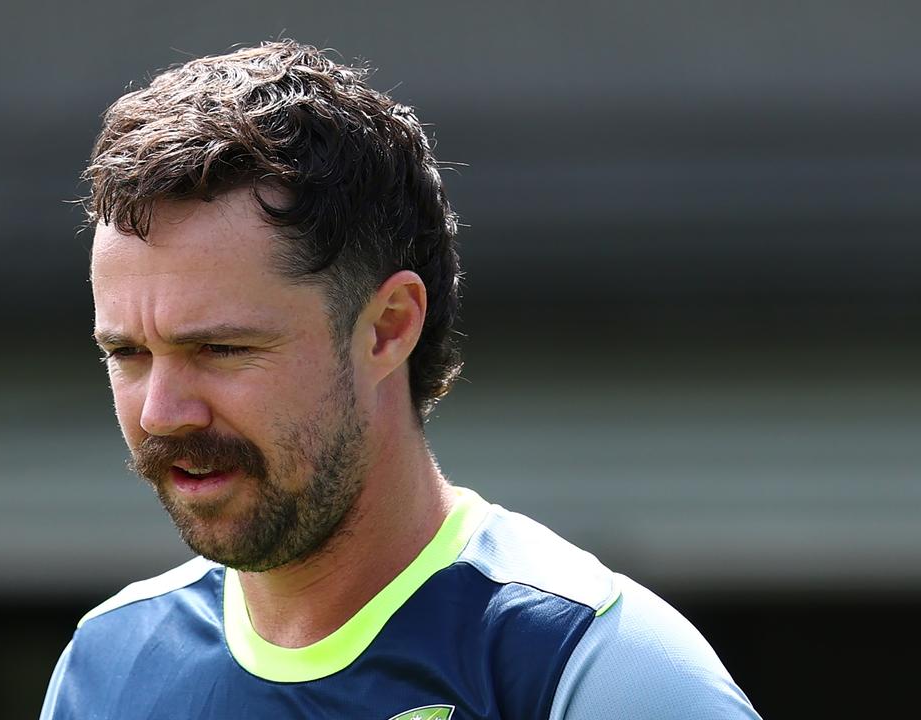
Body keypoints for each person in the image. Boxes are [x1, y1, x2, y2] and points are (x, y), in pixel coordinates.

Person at [39, 40, 761, 720]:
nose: (163, 413)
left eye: (222, 349)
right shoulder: (106, 669)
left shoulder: (595, 669)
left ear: (387, 327)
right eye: (128, 354)